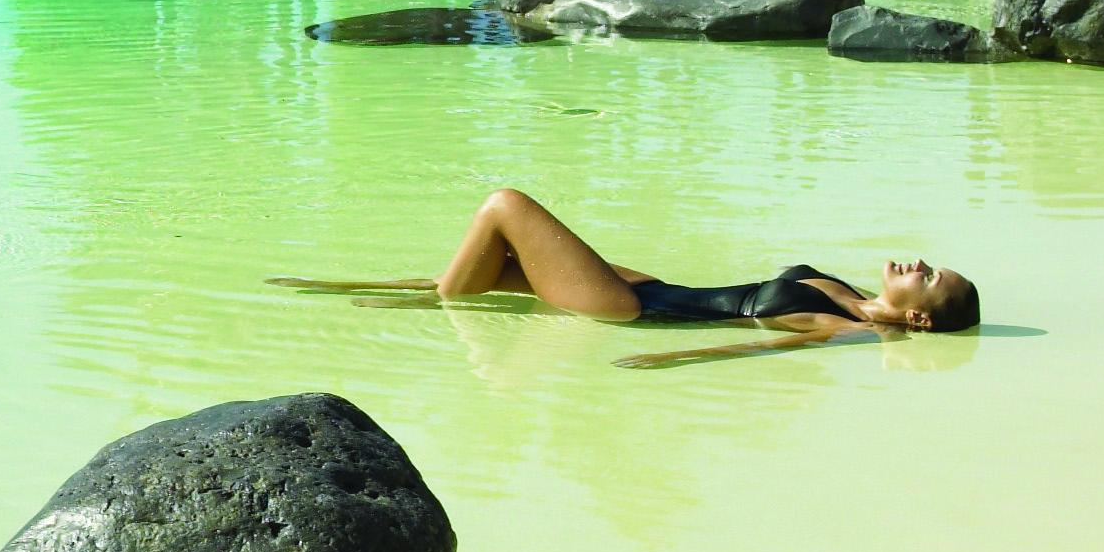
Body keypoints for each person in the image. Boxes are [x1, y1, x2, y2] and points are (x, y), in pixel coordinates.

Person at [415, 183, 974, 336]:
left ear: (919, 316)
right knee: (499, 263)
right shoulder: (844, 290)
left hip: (631, 308)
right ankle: (391, 292)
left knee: (504, 207)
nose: (920, 263)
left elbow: (750, 350)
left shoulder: (845, 326)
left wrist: (671, 362)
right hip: (654, 286)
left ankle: (440, 301)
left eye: (930, 277)